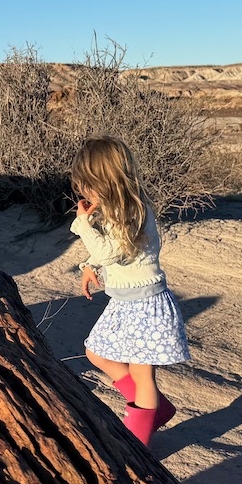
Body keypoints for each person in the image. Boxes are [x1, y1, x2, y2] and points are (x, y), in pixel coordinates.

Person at [70, 137, 189, 446]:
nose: (83, 192)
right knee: (96, 352)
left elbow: (111, 251)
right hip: (125, 304)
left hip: (146, 305)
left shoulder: (131, 211)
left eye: (86, 185)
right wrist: (89, 266)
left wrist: (84, 225)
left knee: (142, 375)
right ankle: (155, 410)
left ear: (103, 180)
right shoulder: (114, 210)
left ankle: (137, 441)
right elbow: (109, 251)